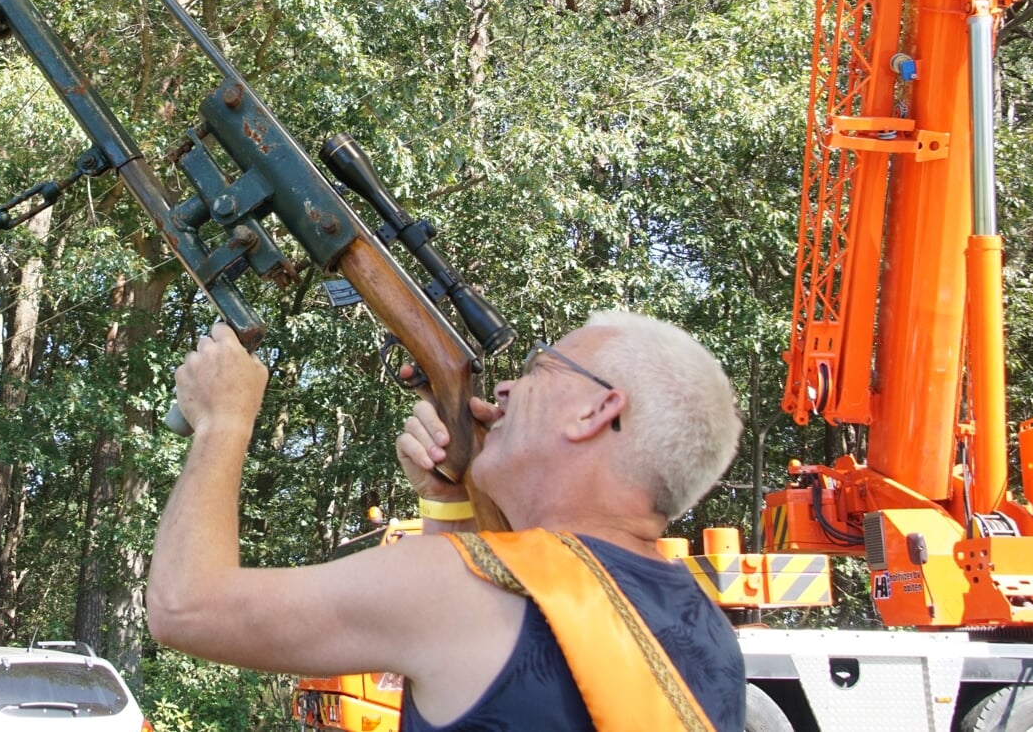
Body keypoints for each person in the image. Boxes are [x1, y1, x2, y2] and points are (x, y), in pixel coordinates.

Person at [146, 310, 746, 731]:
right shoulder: (706, 630)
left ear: (596, 410)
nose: (508, 387)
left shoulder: (465, 595)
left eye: (543, 368)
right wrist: (447, 498)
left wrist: (223, 422)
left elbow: (184, 606)